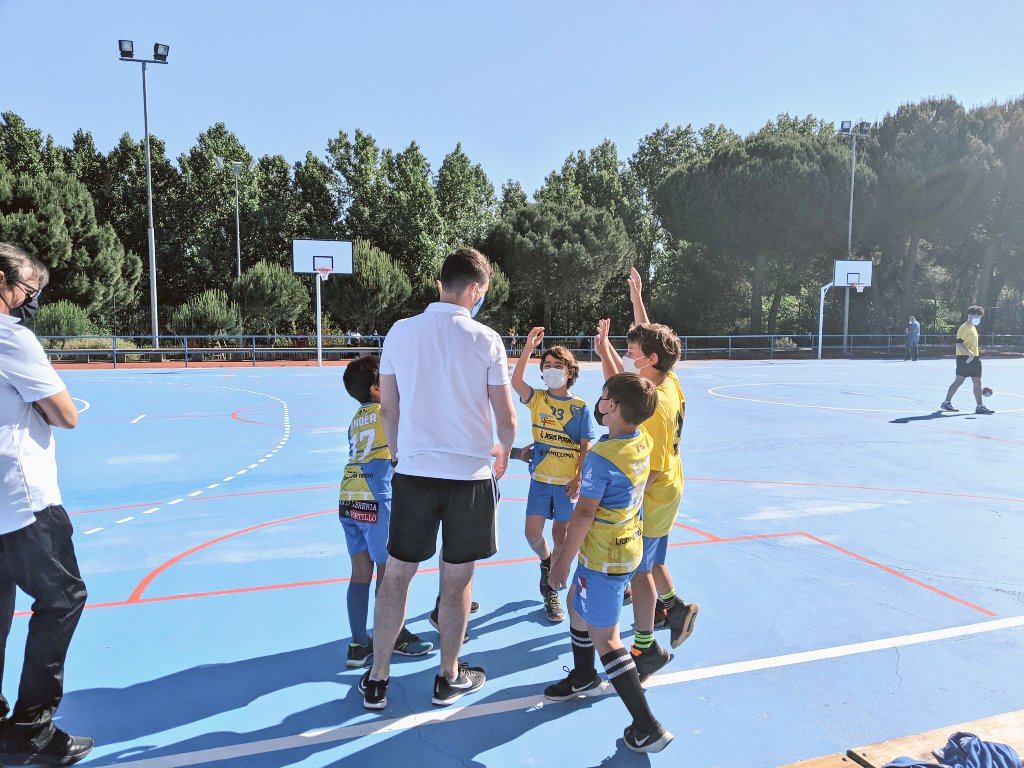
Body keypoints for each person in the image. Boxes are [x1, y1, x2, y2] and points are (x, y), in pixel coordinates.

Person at [359, 248, 516, 710]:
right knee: (456, 580)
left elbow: (389, 407)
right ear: (474, 290)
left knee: (396, 578)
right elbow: (505, 416)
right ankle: (447, 677)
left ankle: (378, 679)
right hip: (469, 476)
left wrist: (400, 453)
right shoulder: (486, 339)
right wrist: (503, 449)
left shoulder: (400, 333)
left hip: (414, 473)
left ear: (440, 284)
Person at [544, 373, 673, 754]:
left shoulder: (601, 457)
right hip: (626, 542)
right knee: (575, 608)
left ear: (612, 406)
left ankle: (647, 726)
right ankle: (584, 675)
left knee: (608, 638)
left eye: (603, 397)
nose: (599, 402)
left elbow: (583, 513)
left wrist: (560, 563)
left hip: (603, 556)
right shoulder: (641, 439)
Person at [0, 243, 92, 766]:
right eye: (28, 290)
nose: (31, 301)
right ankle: (31, 728)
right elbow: (64, 414)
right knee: (62, 599)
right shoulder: (11, 338)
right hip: (23, 498)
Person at [595, 267, 699, 681]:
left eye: (633, 351)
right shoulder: (668, 379)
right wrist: (637, 299)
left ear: (650, 361)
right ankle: (673, 609)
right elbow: (647, 343)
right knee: (653, 562)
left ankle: (645, 648)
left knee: (640, 572)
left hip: (655, 493)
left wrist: (623, 503)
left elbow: (650, 471)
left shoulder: (651, 411)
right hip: (673, 486)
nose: (629, 354)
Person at [339, 355, 433, 668]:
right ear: (378, 388)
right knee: (389, 573)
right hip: (377, 496)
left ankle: (357, 643)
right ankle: (394, 636)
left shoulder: (356, 419)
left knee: (360, 572)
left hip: (349, 495)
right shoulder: (388, 412)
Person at [510, 327, 595, 623]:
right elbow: (515, 381)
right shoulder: (538, 399)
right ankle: (547, 563)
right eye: (546, 366)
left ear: (570, 371)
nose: (551, 370)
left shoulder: (580, 407)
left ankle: (552, 591)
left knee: (561, 537)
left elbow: (586, 447)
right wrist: (527, 349)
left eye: (558, 366)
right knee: (532, 535)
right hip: (540, 481)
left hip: (566, 486)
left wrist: (579, 478)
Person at [941, 305, 994, 415]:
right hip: (964, 358)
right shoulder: (963, 328)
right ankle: (946, 403)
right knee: (959, 381)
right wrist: (969, 354)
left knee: (977, 382)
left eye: (979, 317)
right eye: (976, 316)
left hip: (974, 359)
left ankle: (979, 406)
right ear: (969, 315)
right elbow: (959, 344)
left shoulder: (973, 327)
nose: (978, 319)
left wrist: (973, 355)